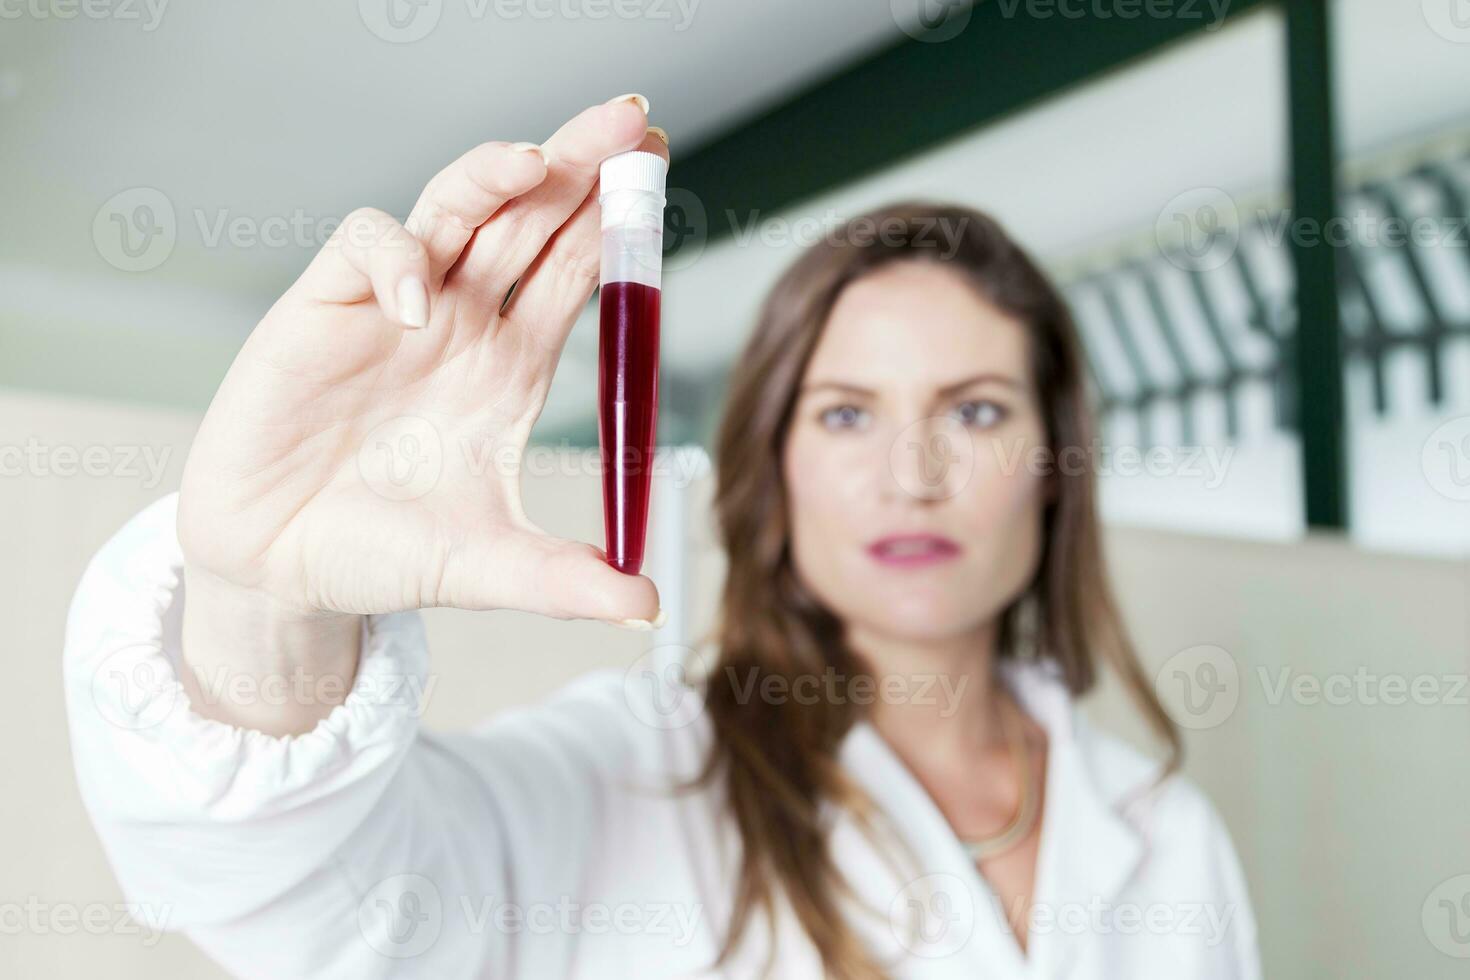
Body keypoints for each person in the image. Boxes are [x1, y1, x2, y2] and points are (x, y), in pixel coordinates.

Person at [64, 95, 1261, 979]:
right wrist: (266, 595)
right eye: (846, 412)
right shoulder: (635, 771)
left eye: (978, 410)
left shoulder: (1166, 837)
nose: (913, 473)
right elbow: (313, 904)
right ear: (772, 463)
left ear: (1056, 467)